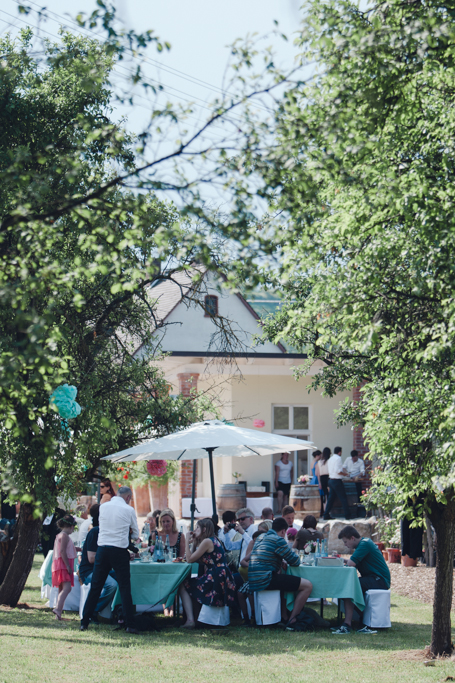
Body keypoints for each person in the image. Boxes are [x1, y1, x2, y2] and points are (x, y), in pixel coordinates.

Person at [81, 486, 140, 633]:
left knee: (96, 586)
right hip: (119, 550)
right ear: (128, 497)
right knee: (125, 587)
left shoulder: (104, 507)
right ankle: (129, 624)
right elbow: (135, 535)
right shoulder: (129, 510)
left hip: (102, 549)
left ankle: (84, 621)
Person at [248, 517, 313, 630]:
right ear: (283, 531)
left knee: (284, 582)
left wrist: (280, 560)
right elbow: (295, 561)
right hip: (266, 579)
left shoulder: (261, 537)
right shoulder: (278, 540)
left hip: (254, 579)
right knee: (307, 586)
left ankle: (284, 615)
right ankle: (292, 619)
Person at [332, 525, 391, 635]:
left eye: (345, 542)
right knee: (349, 585)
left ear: (352, 538)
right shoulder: (364, 543)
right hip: (373, 578)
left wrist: (344, 561)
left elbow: (351, 564)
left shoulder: (364, 544)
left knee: (349, 586)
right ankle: (358, 620)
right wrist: (341, 560)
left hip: (380, 580)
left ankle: (347, 624)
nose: (345, 545)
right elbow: (351, 562)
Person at [179, 518, 236, 629]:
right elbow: (193, 557)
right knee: (190, 583)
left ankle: (190, 620)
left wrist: (186, 540)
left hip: (216, 578)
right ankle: (194, 619)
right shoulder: (213, 539)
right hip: (220, 576)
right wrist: (194, 541)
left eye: (197, 528)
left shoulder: (207, 542)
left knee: (184, 584)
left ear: (204, 529)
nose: (194, 530)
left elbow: (189, 559)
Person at [77, 504, 118, 620]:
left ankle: (120, 612)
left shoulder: (107, 533)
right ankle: (92, 611)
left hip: (103, 570)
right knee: (112, 585)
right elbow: (91, 558)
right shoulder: (95, 532)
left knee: (125, 578)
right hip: (88, 571)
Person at [51, 514, 77, 621]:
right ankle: (57, 609)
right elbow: (62, 551)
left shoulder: (59, 535)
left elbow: (65, 549)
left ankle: (58, 615)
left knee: (61, 589)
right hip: (63, 564)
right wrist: (67, 566)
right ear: (71, 526)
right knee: (67, 588)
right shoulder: (65, 536)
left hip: (59, 564)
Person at [323, 446, 351, 521]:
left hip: (331, 480)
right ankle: (347, 515)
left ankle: (326, 514)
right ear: (339, 452)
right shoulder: (338, 458)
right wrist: (346, 474)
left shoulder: (330, 459)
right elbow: (338, 471)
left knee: (331, 499)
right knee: (343, 498)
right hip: (337, 481)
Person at [317, 448, 331, 518]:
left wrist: (319, 482)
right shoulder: (329, 461)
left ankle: (325, 511)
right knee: (328, 495)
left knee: (325, 496)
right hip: (328, 477)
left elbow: (318, 473)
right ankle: (327, 512)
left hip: (322, 479)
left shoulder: (319, 462)